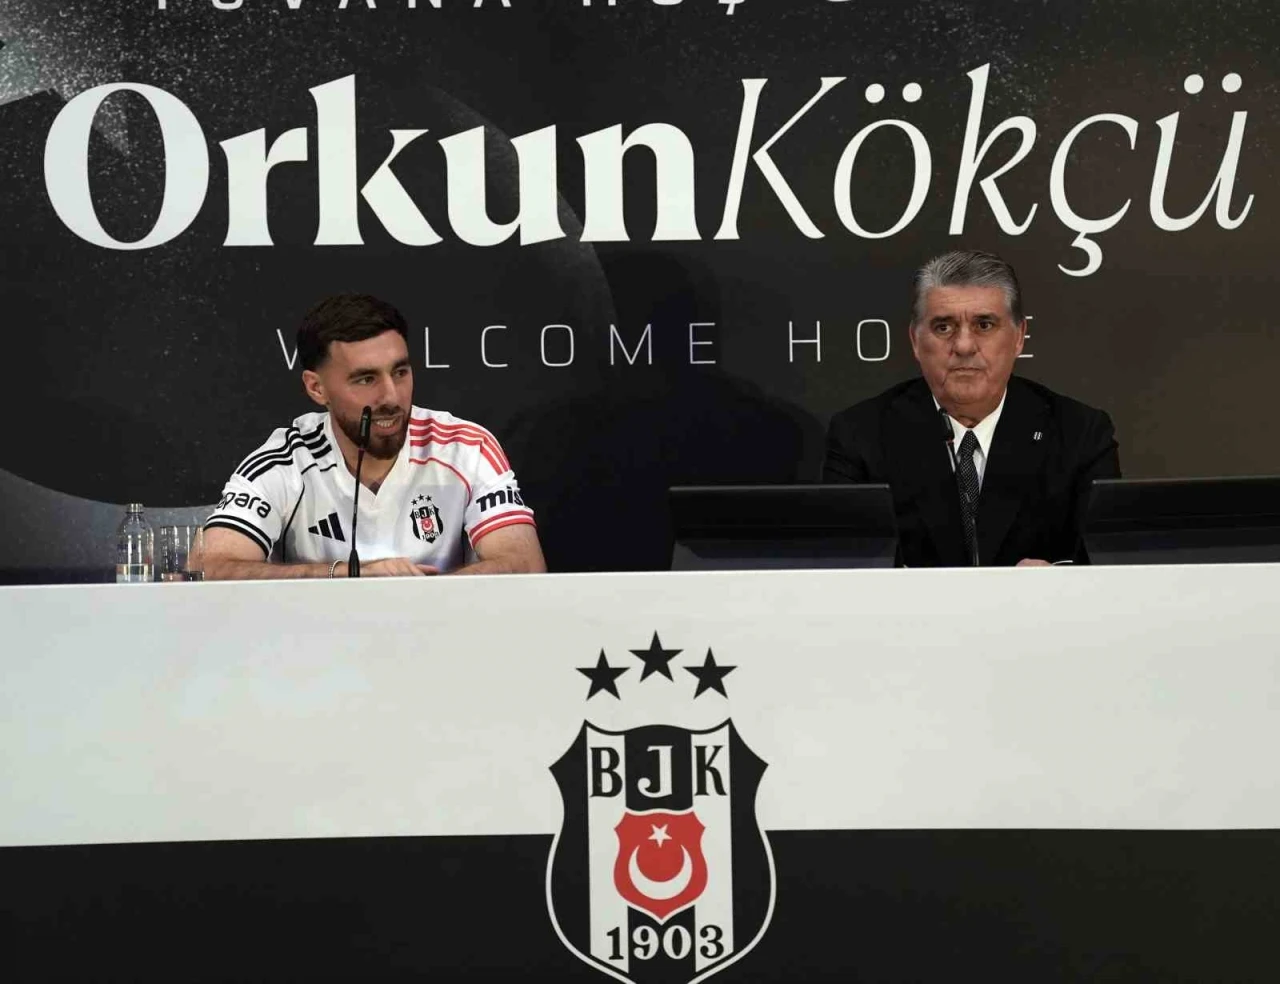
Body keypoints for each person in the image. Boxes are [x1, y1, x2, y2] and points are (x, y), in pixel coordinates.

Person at [202, 294, 546, 578]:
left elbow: (525, 565)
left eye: (400, 372)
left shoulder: (466, 447)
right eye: (366, 379)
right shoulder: (286, 459)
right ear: (317, 388)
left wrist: (419, 597)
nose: (391, 397)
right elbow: (211, 567)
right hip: (319, 637)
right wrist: (347, 575)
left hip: (441, 632)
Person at [823, 250, 1119, 567]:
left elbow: (1107, 562)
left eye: (984, 325)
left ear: (1019, 337)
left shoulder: (1080, 433)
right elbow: (842, 562)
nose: (964, 345)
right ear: (915, 341)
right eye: (943, 327)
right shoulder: (860, 436)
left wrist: (1062, 580)